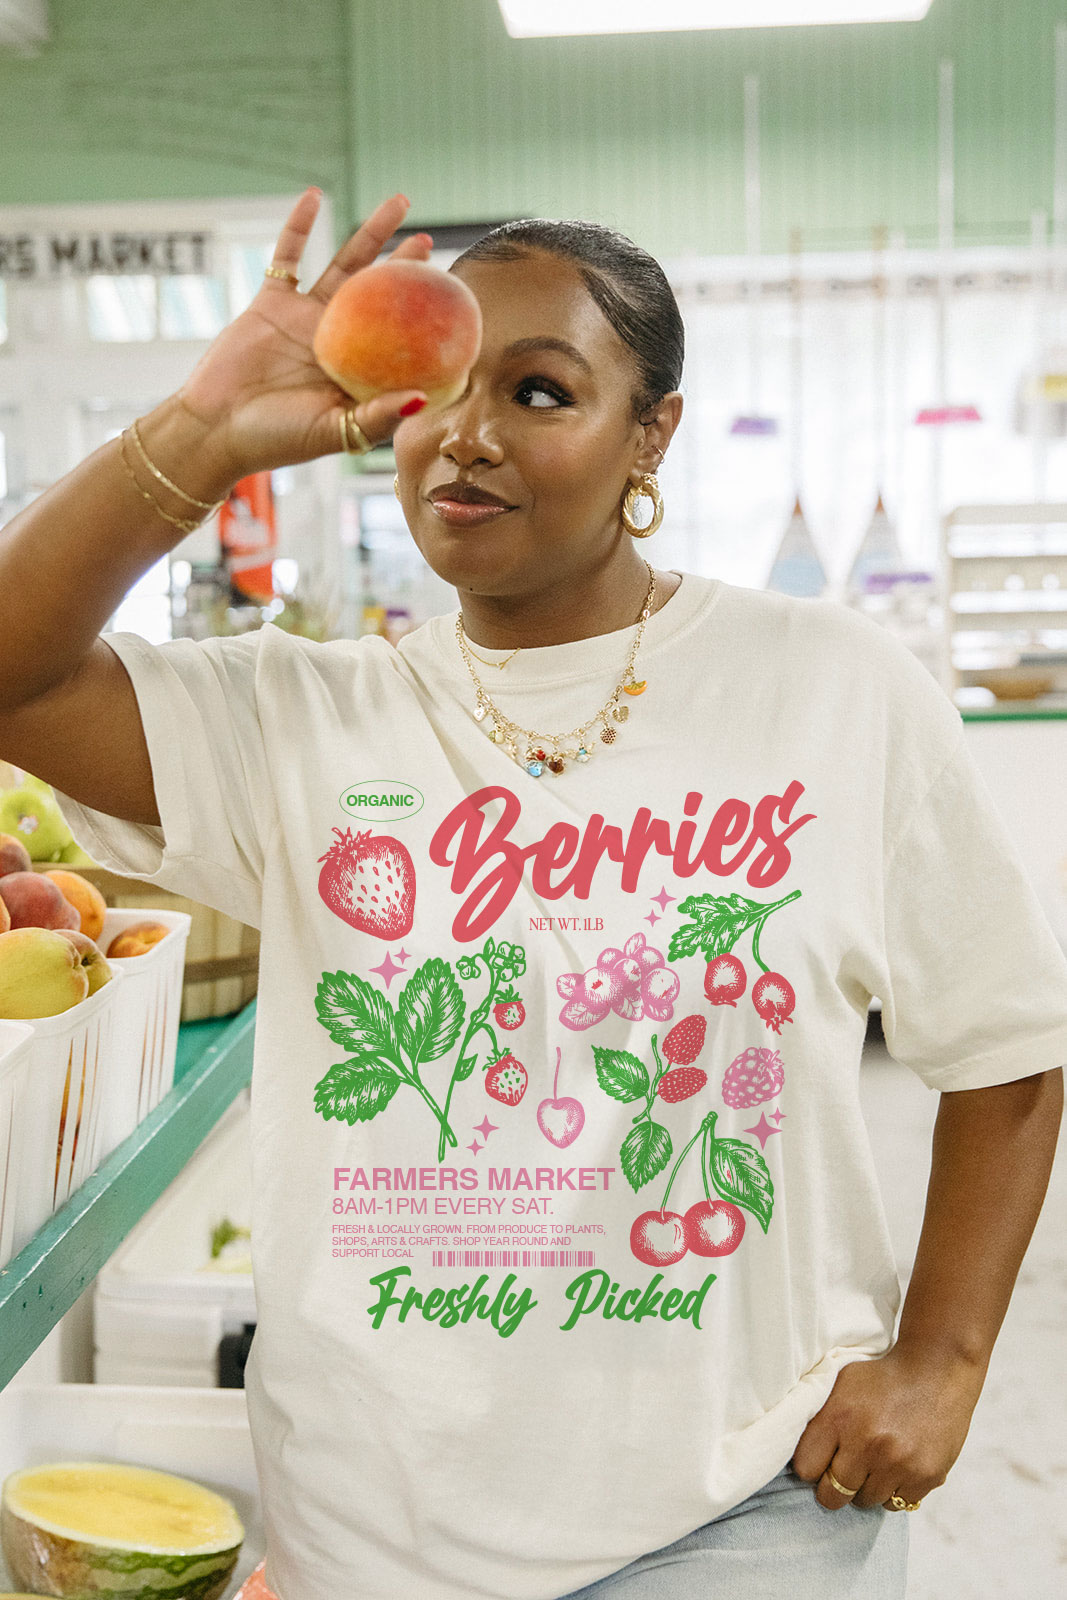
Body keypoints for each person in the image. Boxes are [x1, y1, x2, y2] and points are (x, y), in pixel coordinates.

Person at [1, 187, 1064, 1600]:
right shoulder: (301, 717)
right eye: (434, 390)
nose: (470, 434)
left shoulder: (833, 691)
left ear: (651, 432)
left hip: (742, 1506)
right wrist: (199, 431)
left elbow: (1004, 1049)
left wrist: (939, 1359)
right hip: (369, 1532)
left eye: (541, 391)